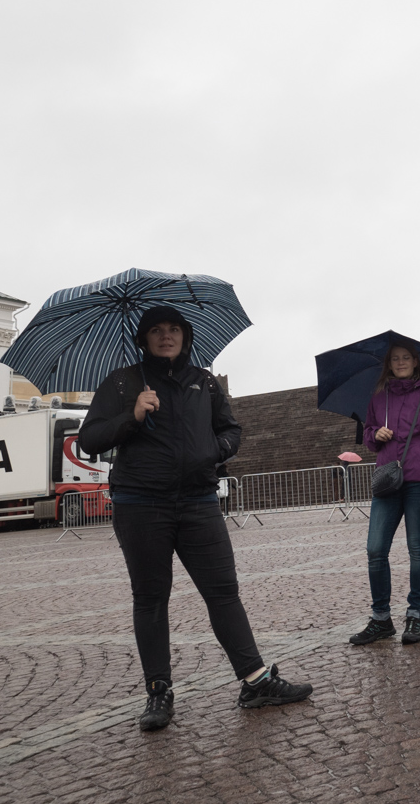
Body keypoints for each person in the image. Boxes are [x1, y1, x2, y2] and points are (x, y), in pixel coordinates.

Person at [78, 305, 312, 732]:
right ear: (143, 338)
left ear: (185, 336)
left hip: (198, 501)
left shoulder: (203, 381)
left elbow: (231, 430)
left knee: (223, 591)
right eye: (156, 330)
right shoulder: (122, 382)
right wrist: (131, 416)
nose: (166, 336)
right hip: (140, 503)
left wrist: (214, 450)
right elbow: (88, 440)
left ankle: (255, 681)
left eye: (174, 330)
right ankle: (159, 690)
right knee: (150, 598)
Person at [350, 342, 420, 646]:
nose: (401, 362)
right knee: (375, 549)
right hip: (388, 483)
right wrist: (375, 434)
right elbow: (367, 434)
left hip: (419, 481)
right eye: (395, 358)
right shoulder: (379, 399)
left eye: (406, 357)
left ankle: (415, 615)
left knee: (417, 549)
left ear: (416, 362)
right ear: (388, 364)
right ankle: (381, 619)